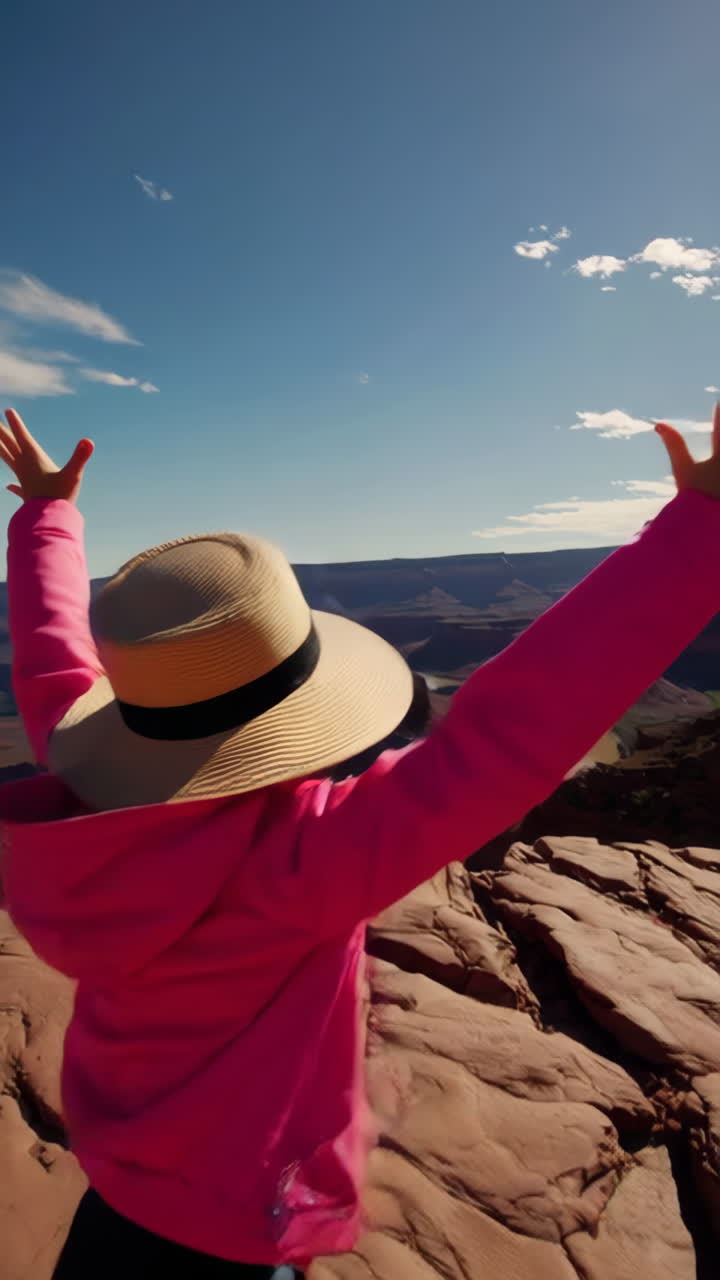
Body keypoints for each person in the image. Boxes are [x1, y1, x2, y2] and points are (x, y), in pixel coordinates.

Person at [1, 405, 720, 1278]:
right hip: (241, 1216)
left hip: (118, 1180)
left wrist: (44, 517)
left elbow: (50, 669)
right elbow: (509, 735)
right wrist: (700, 532)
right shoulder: (307, 859)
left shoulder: (81, 819)